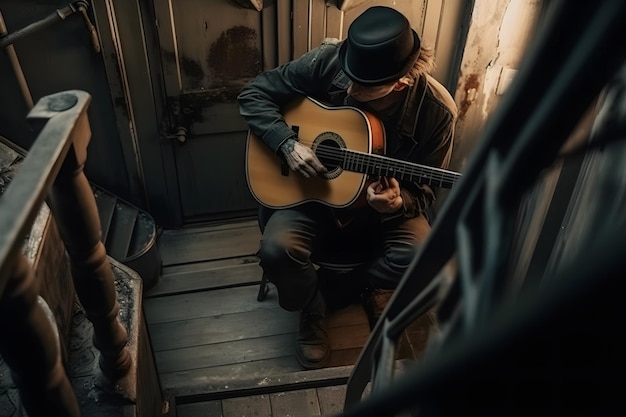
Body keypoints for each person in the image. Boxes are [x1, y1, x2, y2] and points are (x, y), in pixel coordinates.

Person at [237, 6, 457, 370]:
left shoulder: (437, 113)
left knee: (424, 257)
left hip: (378, 212)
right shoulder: (331, 60)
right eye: (349, 75)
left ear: (399, 83)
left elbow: (425, 190)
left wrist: (398, 202)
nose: (349, 87)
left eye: (364, 85)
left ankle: (346, 289)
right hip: (311, 192)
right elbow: (254, 95)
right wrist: (286, 144)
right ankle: (311, 310)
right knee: (277, 250)